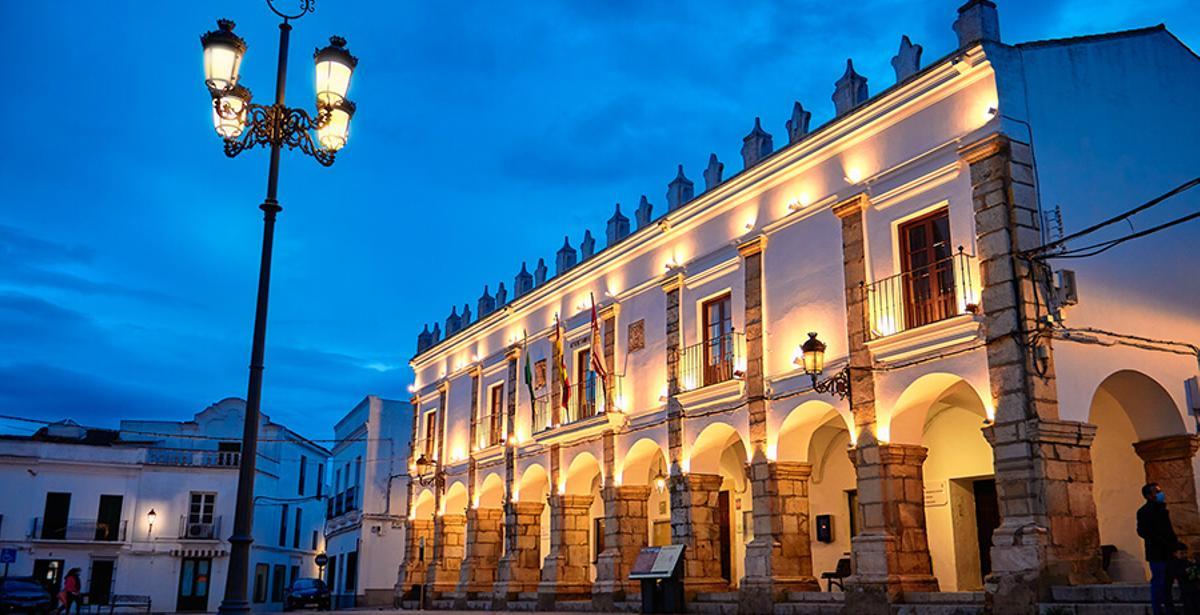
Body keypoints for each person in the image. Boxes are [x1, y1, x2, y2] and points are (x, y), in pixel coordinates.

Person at [1138, 482, 1188, 615]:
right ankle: (1158, 610)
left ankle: (1169, 608)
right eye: (1157, 492)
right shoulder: (1145, 512)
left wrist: (1175, 546)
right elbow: (1143, 531)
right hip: (1157, 552)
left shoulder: (1161, 509)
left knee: (1168, 582)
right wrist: (1162, 541)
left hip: (1168, 552)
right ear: (1149, 496)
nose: (1160, 494)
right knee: (1159, 582)